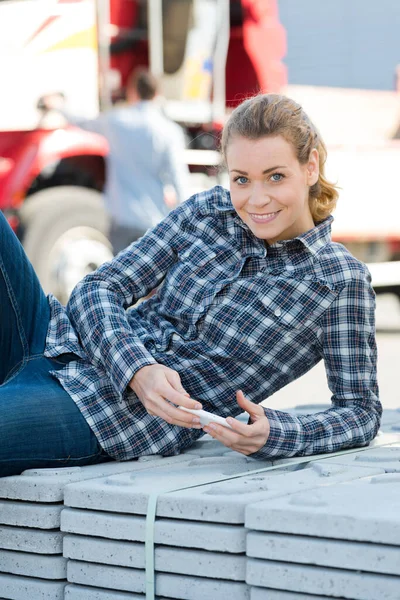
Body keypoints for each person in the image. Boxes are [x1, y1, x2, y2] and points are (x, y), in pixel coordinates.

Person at [0, 93, 381, 478]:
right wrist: (138, 369)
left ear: (310, 167)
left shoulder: (339, 284)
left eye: (276, 176)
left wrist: (280, 434)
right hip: (49, 334)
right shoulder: (206, 212)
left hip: (97, 410)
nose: (256, 199)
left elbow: (360, 412)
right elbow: (99, 287)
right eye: (241, 179)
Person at [43, 68, 189, 254]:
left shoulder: (116, 121)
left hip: (121, 217)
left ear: (132, 91)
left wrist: (58, 106)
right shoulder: (169, 131)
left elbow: (83, 121)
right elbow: (178, 179)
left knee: (122, 279)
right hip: (153, 219)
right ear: (157, 94)